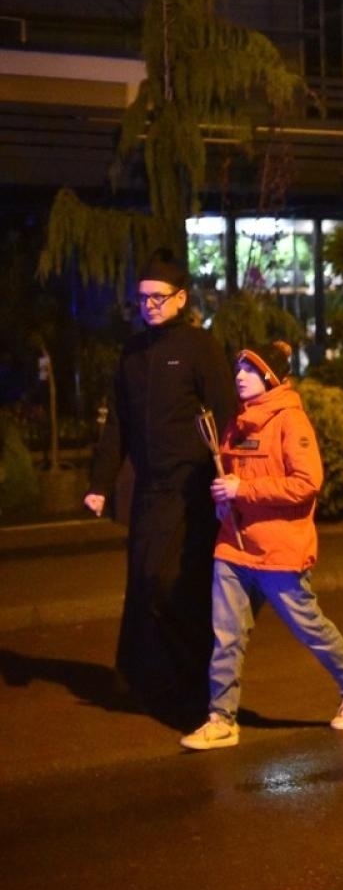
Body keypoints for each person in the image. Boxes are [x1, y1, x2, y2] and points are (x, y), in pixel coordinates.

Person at [179, 343, 343, 750]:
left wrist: (243, 488)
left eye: (249, 370)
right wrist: (224, 499)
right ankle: (221, 719)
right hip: (234, 546)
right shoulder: (239, 421)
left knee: (309, 628)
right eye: (237, 368)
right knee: (226, 635)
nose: (239, 377)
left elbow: (307, 483)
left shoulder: (291, 420)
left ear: (270, 377)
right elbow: (234, 474)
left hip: (279, 549)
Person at [86, 253, 236, 721]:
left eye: (158, 297)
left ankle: (193, 685)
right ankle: (139, 682)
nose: (149, 305)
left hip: (191, 487)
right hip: (149, 489)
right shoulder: (132, 354)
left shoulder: (199, 347)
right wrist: (100, 483)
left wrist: (234, 475)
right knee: (141, 583)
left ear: (180, 299)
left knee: (172, 583)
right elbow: (119, 425)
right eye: (143, 298)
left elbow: (227, 412)